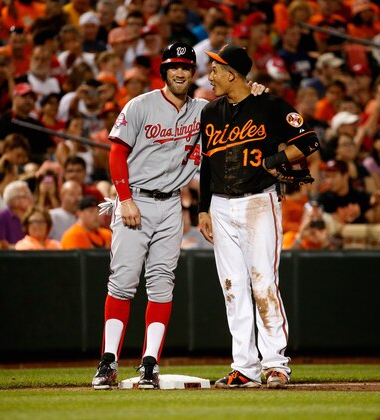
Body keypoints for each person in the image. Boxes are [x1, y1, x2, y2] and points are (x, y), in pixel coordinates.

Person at [91, 42, 266, 390]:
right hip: (135, 201)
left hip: (171, 205)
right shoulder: (140, 105)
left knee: (161, 284)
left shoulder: (203, 109)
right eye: (173, 66)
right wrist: (123, 198)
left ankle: (149, 365)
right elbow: (116, 152)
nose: (180, 72)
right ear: (164, 71)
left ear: (193, 72)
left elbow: (239, 109)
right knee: (123, 283)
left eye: (186, 66)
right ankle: (108, 362)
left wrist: (256, 94)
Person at [197, 44, 319, 389]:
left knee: (263, 281)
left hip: (257, 202)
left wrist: (272, 162)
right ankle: (245, 367)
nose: (211, 76)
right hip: (220, 205)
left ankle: (276, 364)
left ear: (232, 73)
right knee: (233, 288)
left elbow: (309, 141)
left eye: (216, 69)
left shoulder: (269, 104)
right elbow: (207, 163)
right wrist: (203, 208)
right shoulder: (210, 112)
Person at [0, 180, 33, 247]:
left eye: (30, 194)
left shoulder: (33, 216)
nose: (30, 198)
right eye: (25, 195)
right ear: (14, 200)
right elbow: (0, 245)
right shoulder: (2, 217)